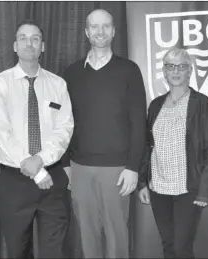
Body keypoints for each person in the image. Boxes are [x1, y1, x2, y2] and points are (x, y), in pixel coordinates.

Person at [62, 9, 146, 258]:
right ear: (87, 32)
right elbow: (63, 122)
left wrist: (133, 167)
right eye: (95, 27)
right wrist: (66, 163)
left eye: (106, 26)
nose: (100, 32)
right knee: (87, 236)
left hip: (117, 170)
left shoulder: (129, 70)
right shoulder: (72, 73)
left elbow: (138, 122)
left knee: (117, 236)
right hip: (79, 168)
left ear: (113, 31)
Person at [0, 19, 74, 258]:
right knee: (17, 250)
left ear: (43, 46)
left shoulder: (58, 84)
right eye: (23, 38)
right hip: (14, 179)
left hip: (52, 176)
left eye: (35, 38)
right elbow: (1, 131)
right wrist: (33, 167)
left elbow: (64, 128)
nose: (30, 43)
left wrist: (41, 161)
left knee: (54, 250)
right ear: (15, 46)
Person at [137, 47, 208, 258]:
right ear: (164, 71)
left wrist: (204, 189)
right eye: (170, 66)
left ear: (189, 71)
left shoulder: (201, 103)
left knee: (182, 248)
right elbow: (147, 145)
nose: (175, 71)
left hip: (187, 188)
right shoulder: (156, 105)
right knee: (168, 245)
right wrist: (144, 182)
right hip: (159, 188)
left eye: (181, 66)